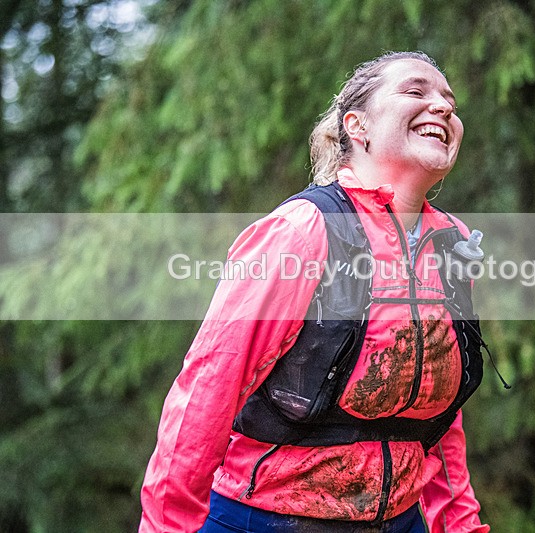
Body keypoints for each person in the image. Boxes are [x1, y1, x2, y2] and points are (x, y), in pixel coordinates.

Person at [139, 51, 490, 533]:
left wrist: (460, 526)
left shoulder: (451, 244)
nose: (444, 107)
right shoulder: (301, 231)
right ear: (358, 126)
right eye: (415, 91)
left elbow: (436, 414)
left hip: (400, 521)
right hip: (263, 518)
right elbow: (208, 389)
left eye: (451, 101)